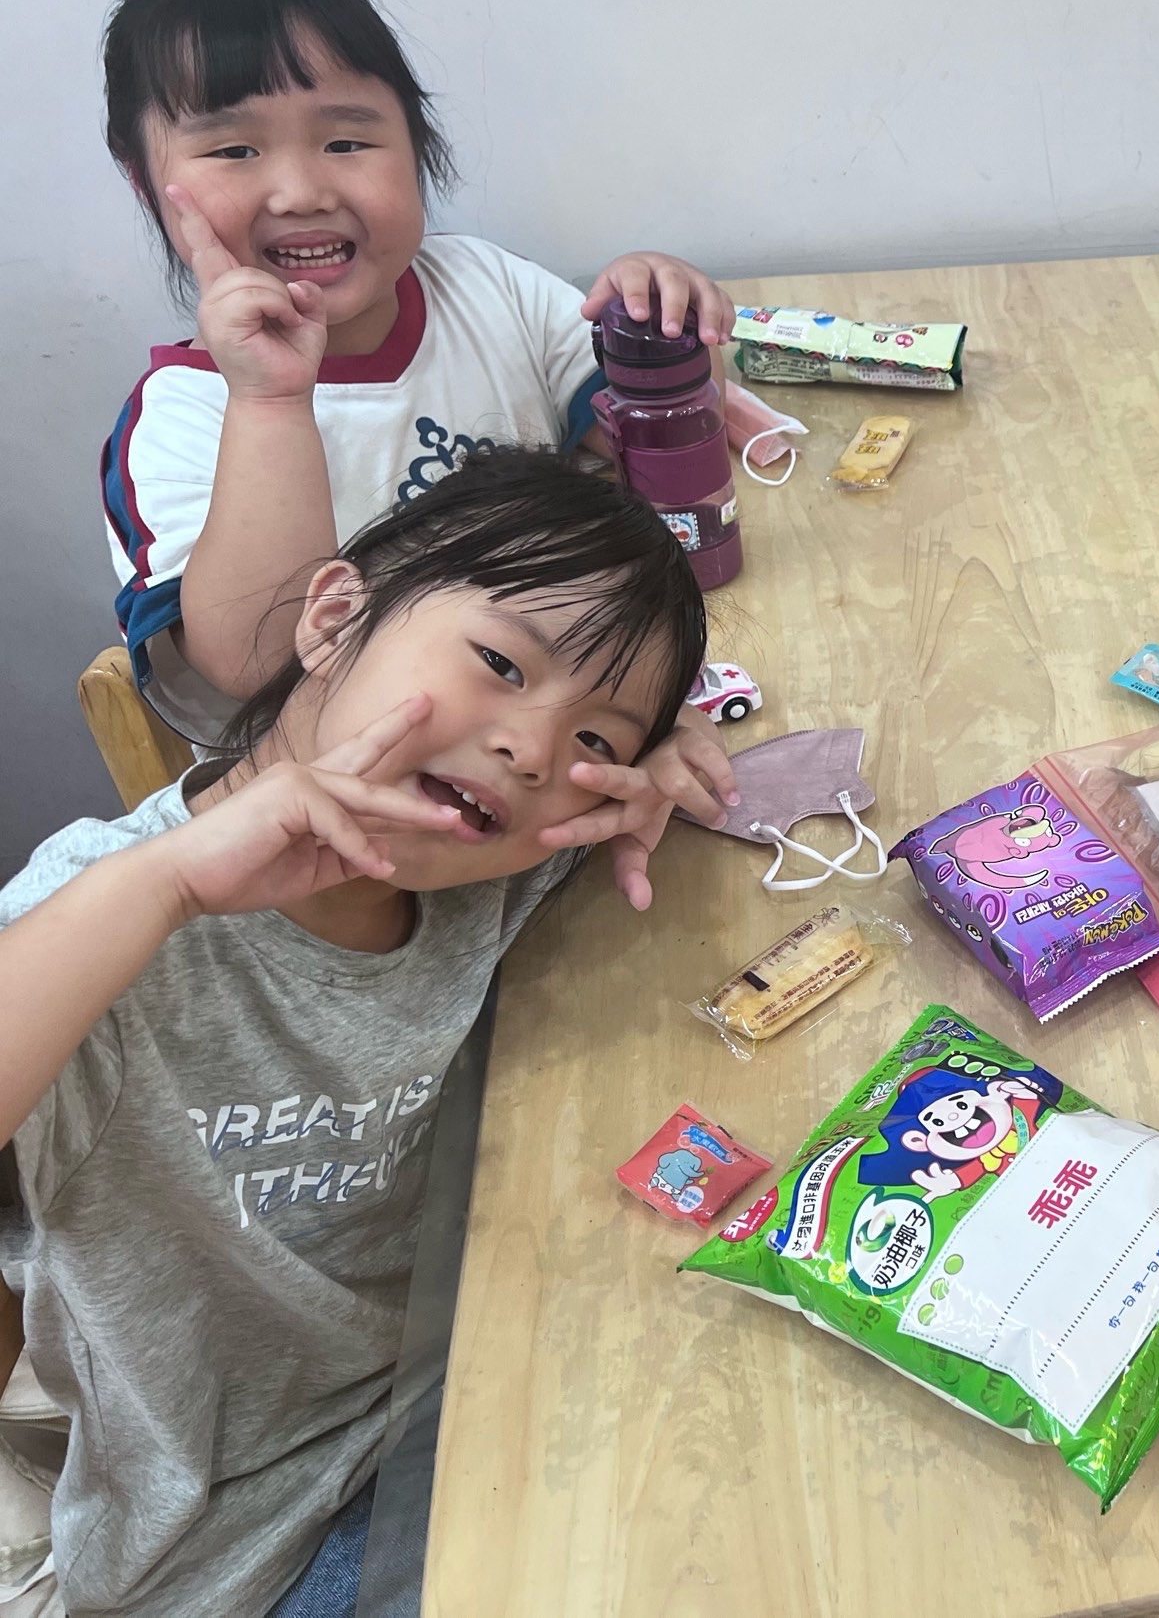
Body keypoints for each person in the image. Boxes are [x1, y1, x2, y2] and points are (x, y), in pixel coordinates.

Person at [0, 446, 707, 1617]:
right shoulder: (108, 924)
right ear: (332, 619)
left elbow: (647, 772)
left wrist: (670, 761)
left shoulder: (482, 859)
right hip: (246, 1539)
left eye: (594, 742)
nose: (534, 750)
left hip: (458, 1386)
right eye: (500, 664)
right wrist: (165, 885)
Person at [95, 0, 761, 900]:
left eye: (347, 140)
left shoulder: (486, 287)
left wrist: (661, 333)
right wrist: (272, 401)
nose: (301, 189)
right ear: (145, 183)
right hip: (331, 876)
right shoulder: (182, 417)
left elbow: (653, 470)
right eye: (234, 150)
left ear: (418, 143)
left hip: (531, 813)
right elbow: (256, 665)